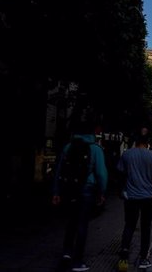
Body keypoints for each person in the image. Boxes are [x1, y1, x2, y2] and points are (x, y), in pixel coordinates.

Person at [52, 115, 108, 272]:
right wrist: (102, 192)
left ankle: (66, 253)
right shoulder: (95, 149)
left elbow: (59, 171)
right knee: (82, 224)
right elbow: (101, 174)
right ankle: (78, 261)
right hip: (87, 190)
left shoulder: (68, 147)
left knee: (71, 222)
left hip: (69, 189)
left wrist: (56, 191)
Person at [117, 131, 152, 270]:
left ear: (135, 142)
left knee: (129, 225)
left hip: (131, 196)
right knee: (146, 228)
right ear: (147, 143)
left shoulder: (127, 154)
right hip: (148, 197)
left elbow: (120, 173)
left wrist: (122, 190)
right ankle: (143, 258)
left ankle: (124, 256)